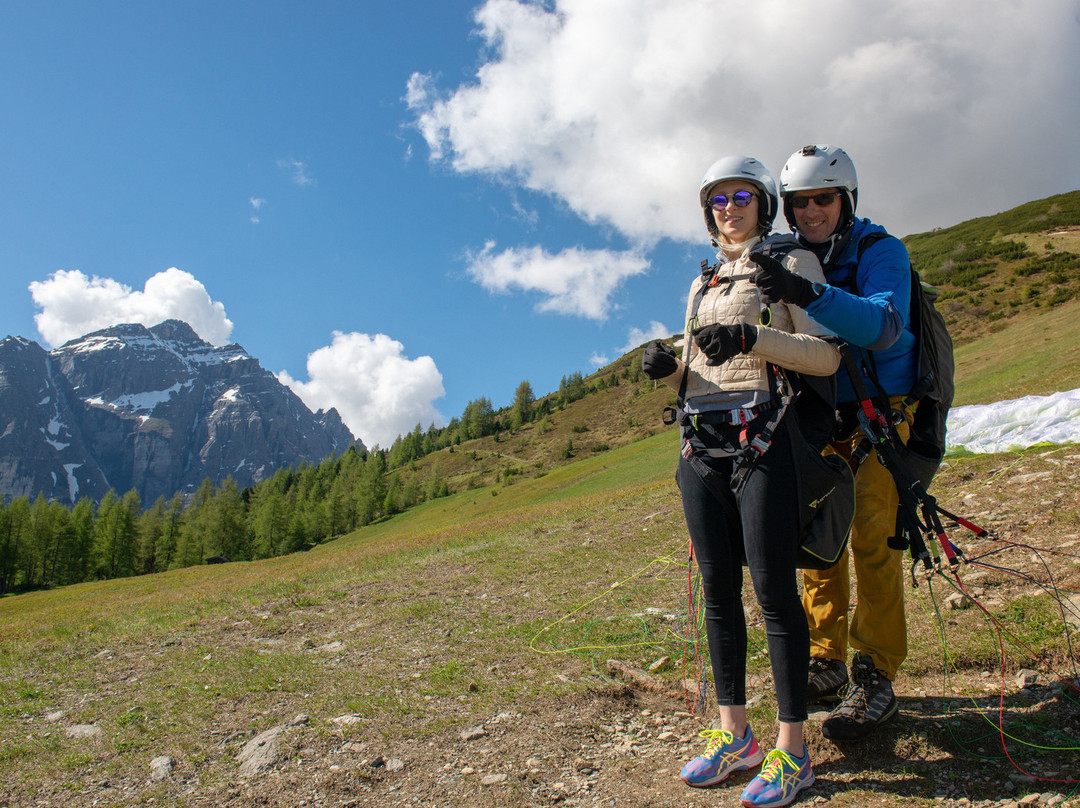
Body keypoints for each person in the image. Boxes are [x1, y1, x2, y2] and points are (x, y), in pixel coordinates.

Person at [641, 155, 839, 807]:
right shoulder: (699, 286)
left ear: (762, 202)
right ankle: (736, 737)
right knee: (718, 592)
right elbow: (702, 372)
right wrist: (670, 371)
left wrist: (753, 336)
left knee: (774, 591)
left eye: (742, 195)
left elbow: (826, 354)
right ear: (708, 210)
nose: (729, 206)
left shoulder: (789, 266)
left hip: (764, 437)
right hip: (700, 443)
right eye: (718, 198)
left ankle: (793, 752)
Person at [750, 144, 920, 742]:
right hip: (816, 422)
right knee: (819, 544)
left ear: (846, 199)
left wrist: (808, 294)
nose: (812, 212)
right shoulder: (786, 258)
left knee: (875, 538)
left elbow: (882, 326)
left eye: (824, 199)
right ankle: (826, 659)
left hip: (880, 418)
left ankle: (874, 673)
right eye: (799, 203)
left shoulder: (881, 252)